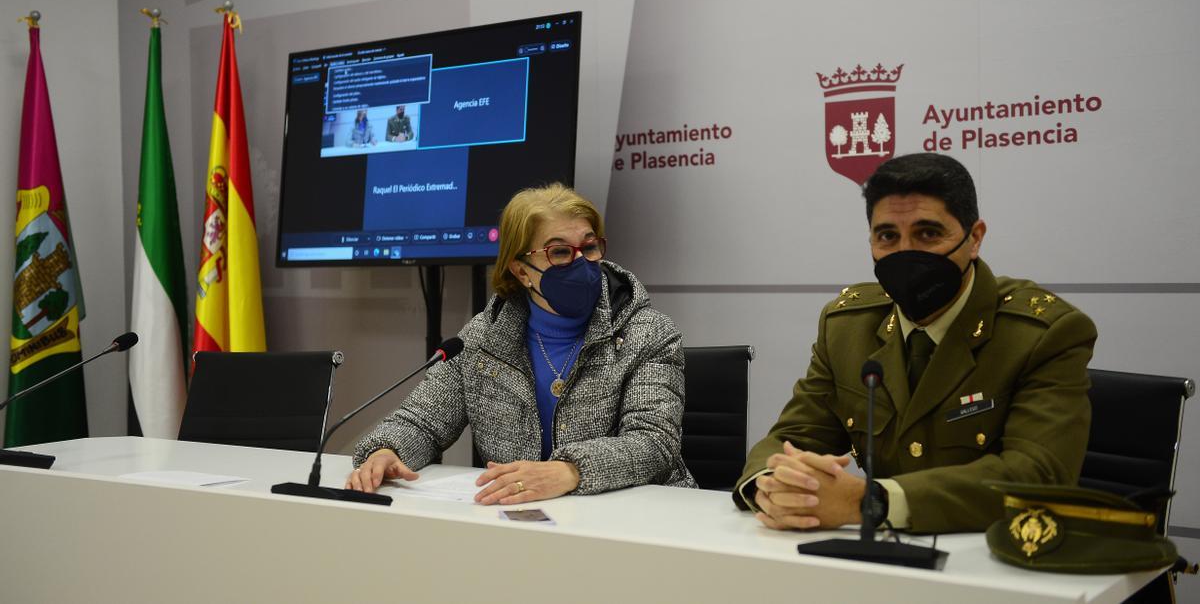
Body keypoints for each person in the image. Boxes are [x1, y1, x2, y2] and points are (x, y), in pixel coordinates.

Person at [735, 152, 1097, 534]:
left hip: (996, 561)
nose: (905, 251)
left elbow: (1038, 476)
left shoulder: (1043, 333)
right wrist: (774, 485)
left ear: (974, 238)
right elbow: (790, 438)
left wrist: (870, 502)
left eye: (928, 233)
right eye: (888, 236)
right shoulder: (846, 326)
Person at [348, 183, 695, 503]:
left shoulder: (647, 332)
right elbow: (421, 422)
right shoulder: (483, 339)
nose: (580, 263)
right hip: (522, 524)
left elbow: (654, 443)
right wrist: (387, 452)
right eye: (559, 252)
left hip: (637, 521)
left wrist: (570, 471)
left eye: (589, 247)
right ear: (521, 270)